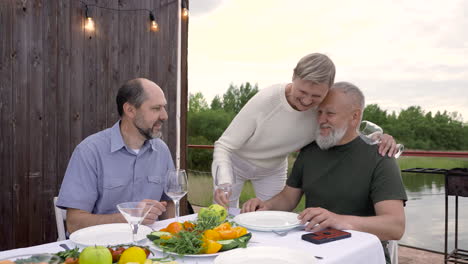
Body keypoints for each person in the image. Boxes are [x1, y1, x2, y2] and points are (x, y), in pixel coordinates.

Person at [242, 82, 407, 264]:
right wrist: (265, 207)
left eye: (330, 113)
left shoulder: (380, 156)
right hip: (313, 249)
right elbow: (288, 198)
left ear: (355, 116)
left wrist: (337, 220)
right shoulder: (310, 151)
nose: (321, 120)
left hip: (360, 255)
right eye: (319, 112)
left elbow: (395, 226)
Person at [212, 53, 398, 208]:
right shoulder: (266, 100)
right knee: (222, 216)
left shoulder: (321, 107)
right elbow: (224, 146)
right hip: (234, 164)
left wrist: (380, 137)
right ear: (294, 77)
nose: (308, 102)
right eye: (302, 92)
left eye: (316, 96)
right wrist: (224, 182)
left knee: (274, 219)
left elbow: (346, 123)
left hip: (272, 168)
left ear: (328, 89)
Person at [57, 78, 175, 233]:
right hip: (101, 249)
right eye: (156, 108)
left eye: (164, 108)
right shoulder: (89, 151)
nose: (164, 115)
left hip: (150, 248)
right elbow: (74, 224)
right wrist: (129, 217)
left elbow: (169, 203)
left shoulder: (162, 151)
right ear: (130, 110)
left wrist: (173, 237)